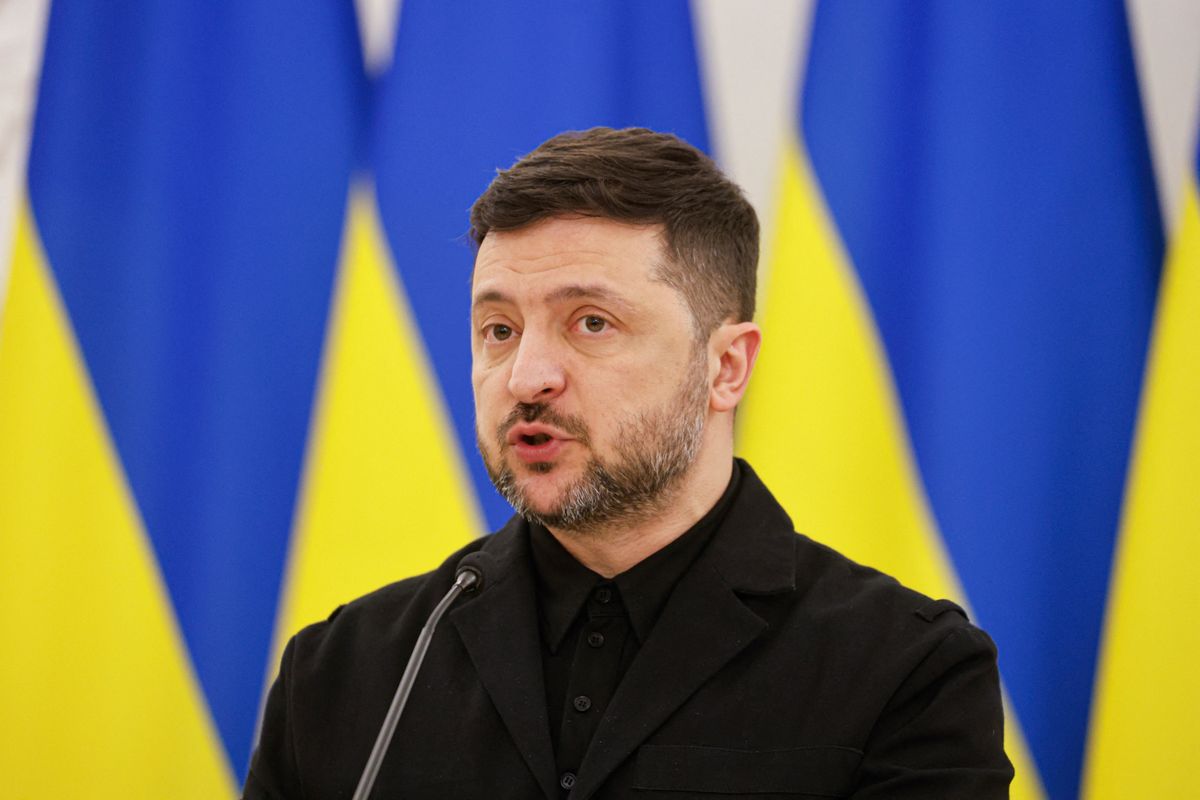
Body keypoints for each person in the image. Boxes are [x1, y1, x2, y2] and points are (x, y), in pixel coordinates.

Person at [243, 127, 1014, 799]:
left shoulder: (904, 674)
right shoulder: (345, 674)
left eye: (590, 322)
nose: (526, 377)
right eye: (499, 329)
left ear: (726, 369)